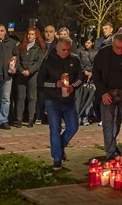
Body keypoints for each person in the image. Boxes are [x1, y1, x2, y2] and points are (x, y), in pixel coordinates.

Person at [91, 32, 122, 161]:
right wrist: (103, 92)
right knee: (108, 123)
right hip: (108, 91)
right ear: (112, 44)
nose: (120, 50)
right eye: (117, 47)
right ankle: (110, 153)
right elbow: (96, 73)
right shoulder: (104, 53)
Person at [41, 36, 85, 171]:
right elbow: (40, 82)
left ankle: (59, 148)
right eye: (63, 50)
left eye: (68, 50)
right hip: (53, 100)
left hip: (69, 100)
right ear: (57, 48)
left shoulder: (75, 59)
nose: (66, 52)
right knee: (55, 130)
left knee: (73, 127)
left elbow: (81, 76)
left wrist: (73, 86)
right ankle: (57, 160)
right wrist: (56, 84)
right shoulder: (48, 61)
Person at [13, 27, 44, 128]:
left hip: (32, 75)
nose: (30, 36)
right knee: (20, 97)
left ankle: (31, 119)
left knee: (31, 97)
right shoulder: (21, 46)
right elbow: (17, 60)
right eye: (28, 34)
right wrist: (21, 70)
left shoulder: (39, 48)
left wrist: (30, 71)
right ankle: (19, 119)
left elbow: (39, 62)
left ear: (36, 36)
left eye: (32, 34)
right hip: (21, 74)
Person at [78, 37, 100, 124]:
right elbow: (78, 62)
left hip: (92, 77)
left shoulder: (96, 52)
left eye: (89, 43)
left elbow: (97, 63)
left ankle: (86, 116)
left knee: (90, 98)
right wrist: (84, 71)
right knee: (81, 97)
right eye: (86, 42)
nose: (87, 44)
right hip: (82, 76)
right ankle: (80, 115)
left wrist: (92, 72)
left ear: (93, 43)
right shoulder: (80, 51)